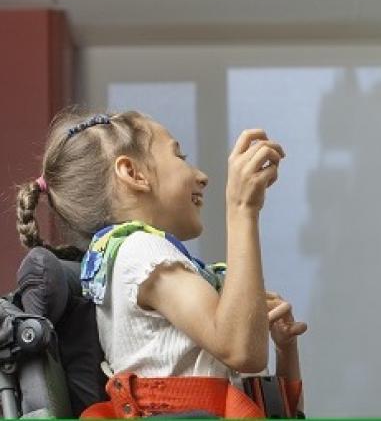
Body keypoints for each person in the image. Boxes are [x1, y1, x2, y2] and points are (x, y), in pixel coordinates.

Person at [15, 108, 307, 417]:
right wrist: (242, 207)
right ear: (133, 173)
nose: (202, 176)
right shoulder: (140, 251)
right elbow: (241, 350)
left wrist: (283, 348)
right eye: (180, 156)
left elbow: (248, 369)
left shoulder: (129, 257)